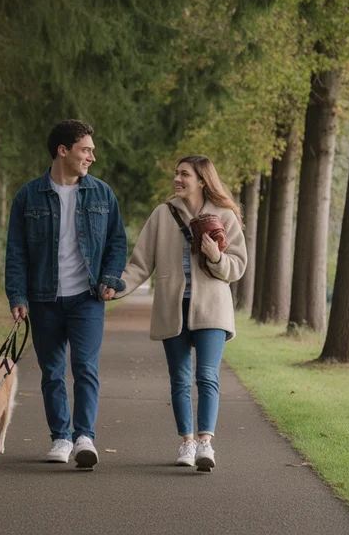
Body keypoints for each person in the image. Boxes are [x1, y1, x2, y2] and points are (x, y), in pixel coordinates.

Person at [4, 119, 127, 469]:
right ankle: (60, 437)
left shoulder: (102, 194)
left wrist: (109, 278)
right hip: (43, 299)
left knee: (85, 366)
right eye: (85, 149)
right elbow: (16, 251)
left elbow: (117, 242)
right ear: (63, 150)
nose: (92, 156)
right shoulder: (29, 196)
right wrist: (17, 296)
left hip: (87, 297)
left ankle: (84, 436)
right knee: (52, 371)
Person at [112, 155, 247, 472]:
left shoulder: (224, 215)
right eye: (176, 173)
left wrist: (215, 257)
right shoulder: (162, 215)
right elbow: (140, 264)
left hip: (212, 307)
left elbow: (238, 266)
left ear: (202, 180)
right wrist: (115, 289)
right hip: (172, 306)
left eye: (184, 174)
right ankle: (186, 442)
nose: (177, 178)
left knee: (207, 376)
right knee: (180, 379)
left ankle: (205, 444)